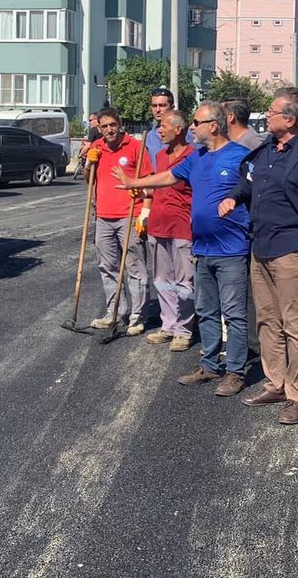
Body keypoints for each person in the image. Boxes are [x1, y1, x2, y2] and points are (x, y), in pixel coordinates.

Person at [117, 101, 251, 398]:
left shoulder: (239, 156)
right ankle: (210, 365)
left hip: (231, 250)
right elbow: (169, 177)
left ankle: (235, 372)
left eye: (196, 123)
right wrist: (133, 183)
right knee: (206, 310)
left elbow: (253, 190)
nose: (192, 127)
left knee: (234, 314)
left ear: (213, 126)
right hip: (202, 248)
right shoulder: (197, 157)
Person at [221, 87, 298, 424]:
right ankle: (276, 383)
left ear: (291, 119)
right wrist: (234, 197)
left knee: (295, 324)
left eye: (272, 111)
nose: (266, 115)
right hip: (261, 247)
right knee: (267, 320)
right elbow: (247, 183)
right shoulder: (265, 149)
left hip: (291, 250)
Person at [85, 109, 152, 333]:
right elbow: (89, 179)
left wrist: (145, 209)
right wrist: (89, 163)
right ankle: (114, 311)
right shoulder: (97, 147)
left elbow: (149, 180)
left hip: (129, 214)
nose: (109, 130)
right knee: (107, 266)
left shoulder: (135, 147)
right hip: (103, 215)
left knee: (134, 267)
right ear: (99, 128)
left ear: (120, 124)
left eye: (113, 125)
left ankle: (138, 316)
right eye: (104, 126)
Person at [142, 109, 196, 351]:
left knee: (185, 280)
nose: (159, 131)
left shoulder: (193, 156)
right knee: (162, 279)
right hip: (158, 224)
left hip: (182, 226)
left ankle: (184, 329)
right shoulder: (160, 156)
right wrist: (145, 203)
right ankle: (169, 324)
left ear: (178, 129)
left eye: (164, 126)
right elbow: (155, 186)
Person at [74, 113, 100, 179]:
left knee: (87, 171)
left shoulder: (93, 130)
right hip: (103, 155)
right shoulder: (103, 130)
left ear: (96, 120)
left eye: (90, 120)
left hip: (94, 155)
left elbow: (88, 145)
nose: (89, 122)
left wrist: (80, 154)